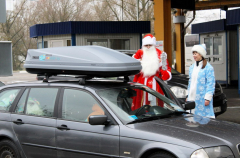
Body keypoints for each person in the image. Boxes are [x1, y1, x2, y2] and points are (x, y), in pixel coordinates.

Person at [131, 34, 172, 110]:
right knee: (141, 107)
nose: (148, 47)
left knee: (156, 107)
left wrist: (162, 66)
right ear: (143, 45)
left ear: (153, 45)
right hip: (141, 84)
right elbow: (133, 69)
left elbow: (166, 75)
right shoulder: (139, 54)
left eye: (150, 45)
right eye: (146, 45)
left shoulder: (160, 54)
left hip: (156, 84)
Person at [186, 44, 215, 118]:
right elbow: (190, 82)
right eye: (193, 54)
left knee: (203, 118)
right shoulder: (192, 67)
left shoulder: (208, 68)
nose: (194, 56)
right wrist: (187, 95)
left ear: (201, 54)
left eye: (196, 54)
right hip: (192, 97)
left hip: (202, 98)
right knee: (191, 118)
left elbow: (210, 84)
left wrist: (207, 98)